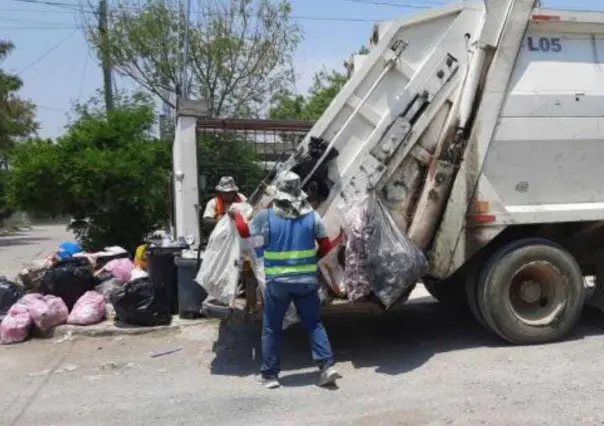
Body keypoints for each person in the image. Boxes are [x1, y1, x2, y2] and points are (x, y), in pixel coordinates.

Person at [230, 172, 341, 389]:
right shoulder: (313, 217)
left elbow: (245, 233)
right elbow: (326, 246)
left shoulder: (267, 217)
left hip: (278, 283)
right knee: (314, 324)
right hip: (307, 281)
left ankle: (270, 376)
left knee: (272, 327)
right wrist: (312, 260)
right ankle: (327, 367)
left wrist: (236, 214)